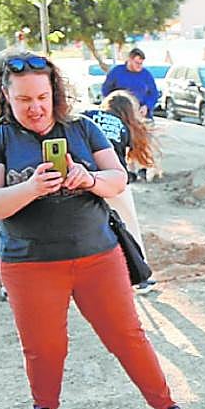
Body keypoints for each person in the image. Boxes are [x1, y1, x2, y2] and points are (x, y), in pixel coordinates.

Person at [0, 51, 193, 409]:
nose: (35, 108)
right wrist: (29, 188)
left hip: (97, 256)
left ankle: (167, 407)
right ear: (6, 97)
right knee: (44, 347)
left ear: (54, 92)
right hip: (29, 263)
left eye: (41, 97)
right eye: (23, 100)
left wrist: (87, 178)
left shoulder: (83, 128)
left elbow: (117, 179)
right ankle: (44, 408)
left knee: (127, 336)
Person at [84, 90, 158, 294]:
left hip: (84, 178)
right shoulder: (123, 127)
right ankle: (142, 276)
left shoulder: (88, 116)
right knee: (129, 224)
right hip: (112, 180)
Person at [101, 48, 159, 122]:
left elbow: (154, 93)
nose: (139, 66)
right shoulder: (116, 72)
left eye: (141, 63)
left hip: (140, 114)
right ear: (130, 60)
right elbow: (105, 90)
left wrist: (147, 106)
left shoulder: (146, 75)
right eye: (137, 63)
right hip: (120, 114)